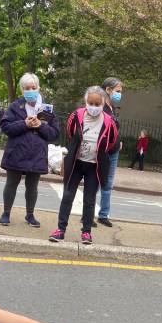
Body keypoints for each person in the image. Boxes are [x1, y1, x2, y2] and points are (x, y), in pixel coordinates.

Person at [49, 86, 118, 245]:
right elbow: (71, 133)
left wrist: (98, 151)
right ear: (86, 101)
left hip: (94, 166)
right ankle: (60, 229)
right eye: (90, 102)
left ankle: (86, 232)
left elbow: (111, 142)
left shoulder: (109, 121)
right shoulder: (76, 115)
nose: (93, 106)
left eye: (97, 103)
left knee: (89, 199)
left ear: (102, 103)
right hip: (76, 163)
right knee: (67, 196)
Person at [0, 73, 60, 229]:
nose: (31, 90)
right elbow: (5, 127)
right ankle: (6, 213)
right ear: (22, 90)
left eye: (34, 87)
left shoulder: (47, 110)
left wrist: (40, 125)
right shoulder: (14, 107)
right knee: (11, 183)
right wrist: (24, 124)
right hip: (17, 152)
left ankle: (30, 215)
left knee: (32, 186)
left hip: (37, 154)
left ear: (38, 88)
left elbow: (54, 134)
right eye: (27, 88)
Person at [96, 77, 123, 228]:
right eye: (118, 91)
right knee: (95, 181)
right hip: (102, 151)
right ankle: (88, 214)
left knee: (108, 183)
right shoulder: (100, 107)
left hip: (113, 152)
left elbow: (115, 129)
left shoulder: (113, 109)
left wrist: (119, 140)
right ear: (108, 90)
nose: (120, 94)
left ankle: (103, 214)